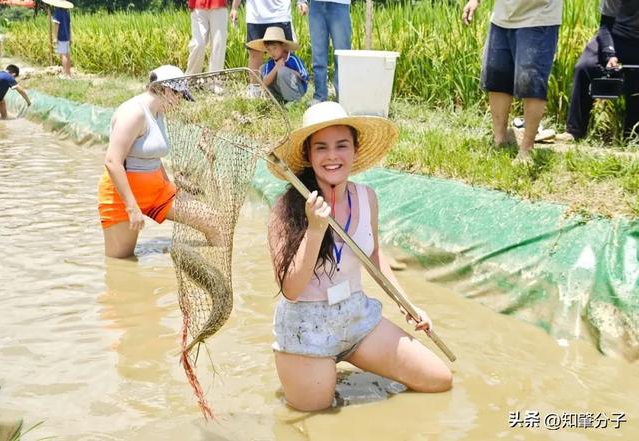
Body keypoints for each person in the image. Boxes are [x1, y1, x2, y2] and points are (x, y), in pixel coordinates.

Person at [266, 101, 453, 411]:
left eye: (342, 145)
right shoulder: (285, 209)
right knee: (316, 414)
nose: (332, 156)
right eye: (321, 148)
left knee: (439, 380)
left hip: (356, 316)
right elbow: (291, 289)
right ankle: (315, 371)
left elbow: (375, 254)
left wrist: (407, 305)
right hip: (306, 327)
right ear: (309, 157)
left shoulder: (366, 197)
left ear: (355, 150)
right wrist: (314, 230)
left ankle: (338, 364)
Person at [98, 65, 220, 258]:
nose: (180, 103)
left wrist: (170, 187)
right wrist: (132, 207)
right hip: (123, 199)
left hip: (157, 191)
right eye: (179, 96)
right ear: (166, 90)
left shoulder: (158, 113)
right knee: (122, 265)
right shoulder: (133, 113)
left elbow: (153, 157)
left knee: (213, 222)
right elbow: (112, 161)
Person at [462, 0, 563, 163]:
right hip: (501, 18)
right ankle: (499, 141)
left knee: (531, 83)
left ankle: (526, 150)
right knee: (498, 78)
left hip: (538, 18)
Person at [557, 0, 639, 142]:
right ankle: (574, 131)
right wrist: (609, 54)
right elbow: (605, 25)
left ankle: (632, 136)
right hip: (615, 35)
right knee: (584, 67)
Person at [230, 0, 307, 97]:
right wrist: (234, 7)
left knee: (284, 56)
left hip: (280, 12)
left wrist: (301, 2)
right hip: (256, 15)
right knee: (255, 55)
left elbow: (304, 76)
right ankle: (255, 91)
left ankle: (291, 94)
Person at [247, 26, 308, 104]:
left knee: (282, 71)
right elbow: (264, 84)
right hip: (280, 90)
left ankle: (294, 101)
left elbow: (305, 77)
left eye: (275, 48)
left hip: (297, 90)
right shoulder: (271, 63)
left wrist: (288, 72)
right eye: (268, 49)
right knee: (263, 68)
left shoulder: (293, 59)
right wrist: (276, 67)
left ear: (282, 46)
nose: (272, 52)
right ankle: (278, 99)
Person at [308, 0, 352, 105]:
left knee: (342, 56)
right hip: (316, 4)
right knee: (318, 54)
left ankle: (343, 96)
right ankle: (320, 95)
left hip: (340, 4)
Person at [185, 0, 228, 77]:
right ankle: (190, 79)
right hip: (197, 5)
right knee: (198, 44)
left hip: (219, 4)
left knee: (218, 45)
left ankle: (214, 81)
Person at [50, 1, 73, 78]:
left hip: (61, 37)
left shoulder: (57, 13)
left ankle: (66, 75)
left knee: (63, 55)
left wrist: (55, 37)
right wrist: (70, 37)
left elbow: (56, 25)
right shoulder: (66, 13)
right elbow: (69, 26)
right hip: (66, 37)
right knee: (67, 55)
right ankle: (69, 73)